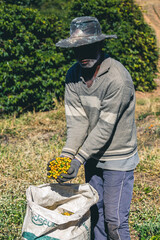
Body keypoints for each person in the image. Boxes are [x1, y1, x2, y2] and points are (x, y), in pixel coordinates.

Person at [48, 16, 139, 240]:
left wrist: (78, 160)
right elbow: (78, 123)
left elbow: (104, 128)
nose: (83, 56)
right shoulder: (73, 76)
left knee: (115, 222)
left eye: (88, 48)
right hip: (92, 157)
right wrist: (67, 157)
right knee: (95, 216)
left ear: (100, 46)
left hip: (118, 158)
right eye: (78, 50)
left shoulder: (117, 78)